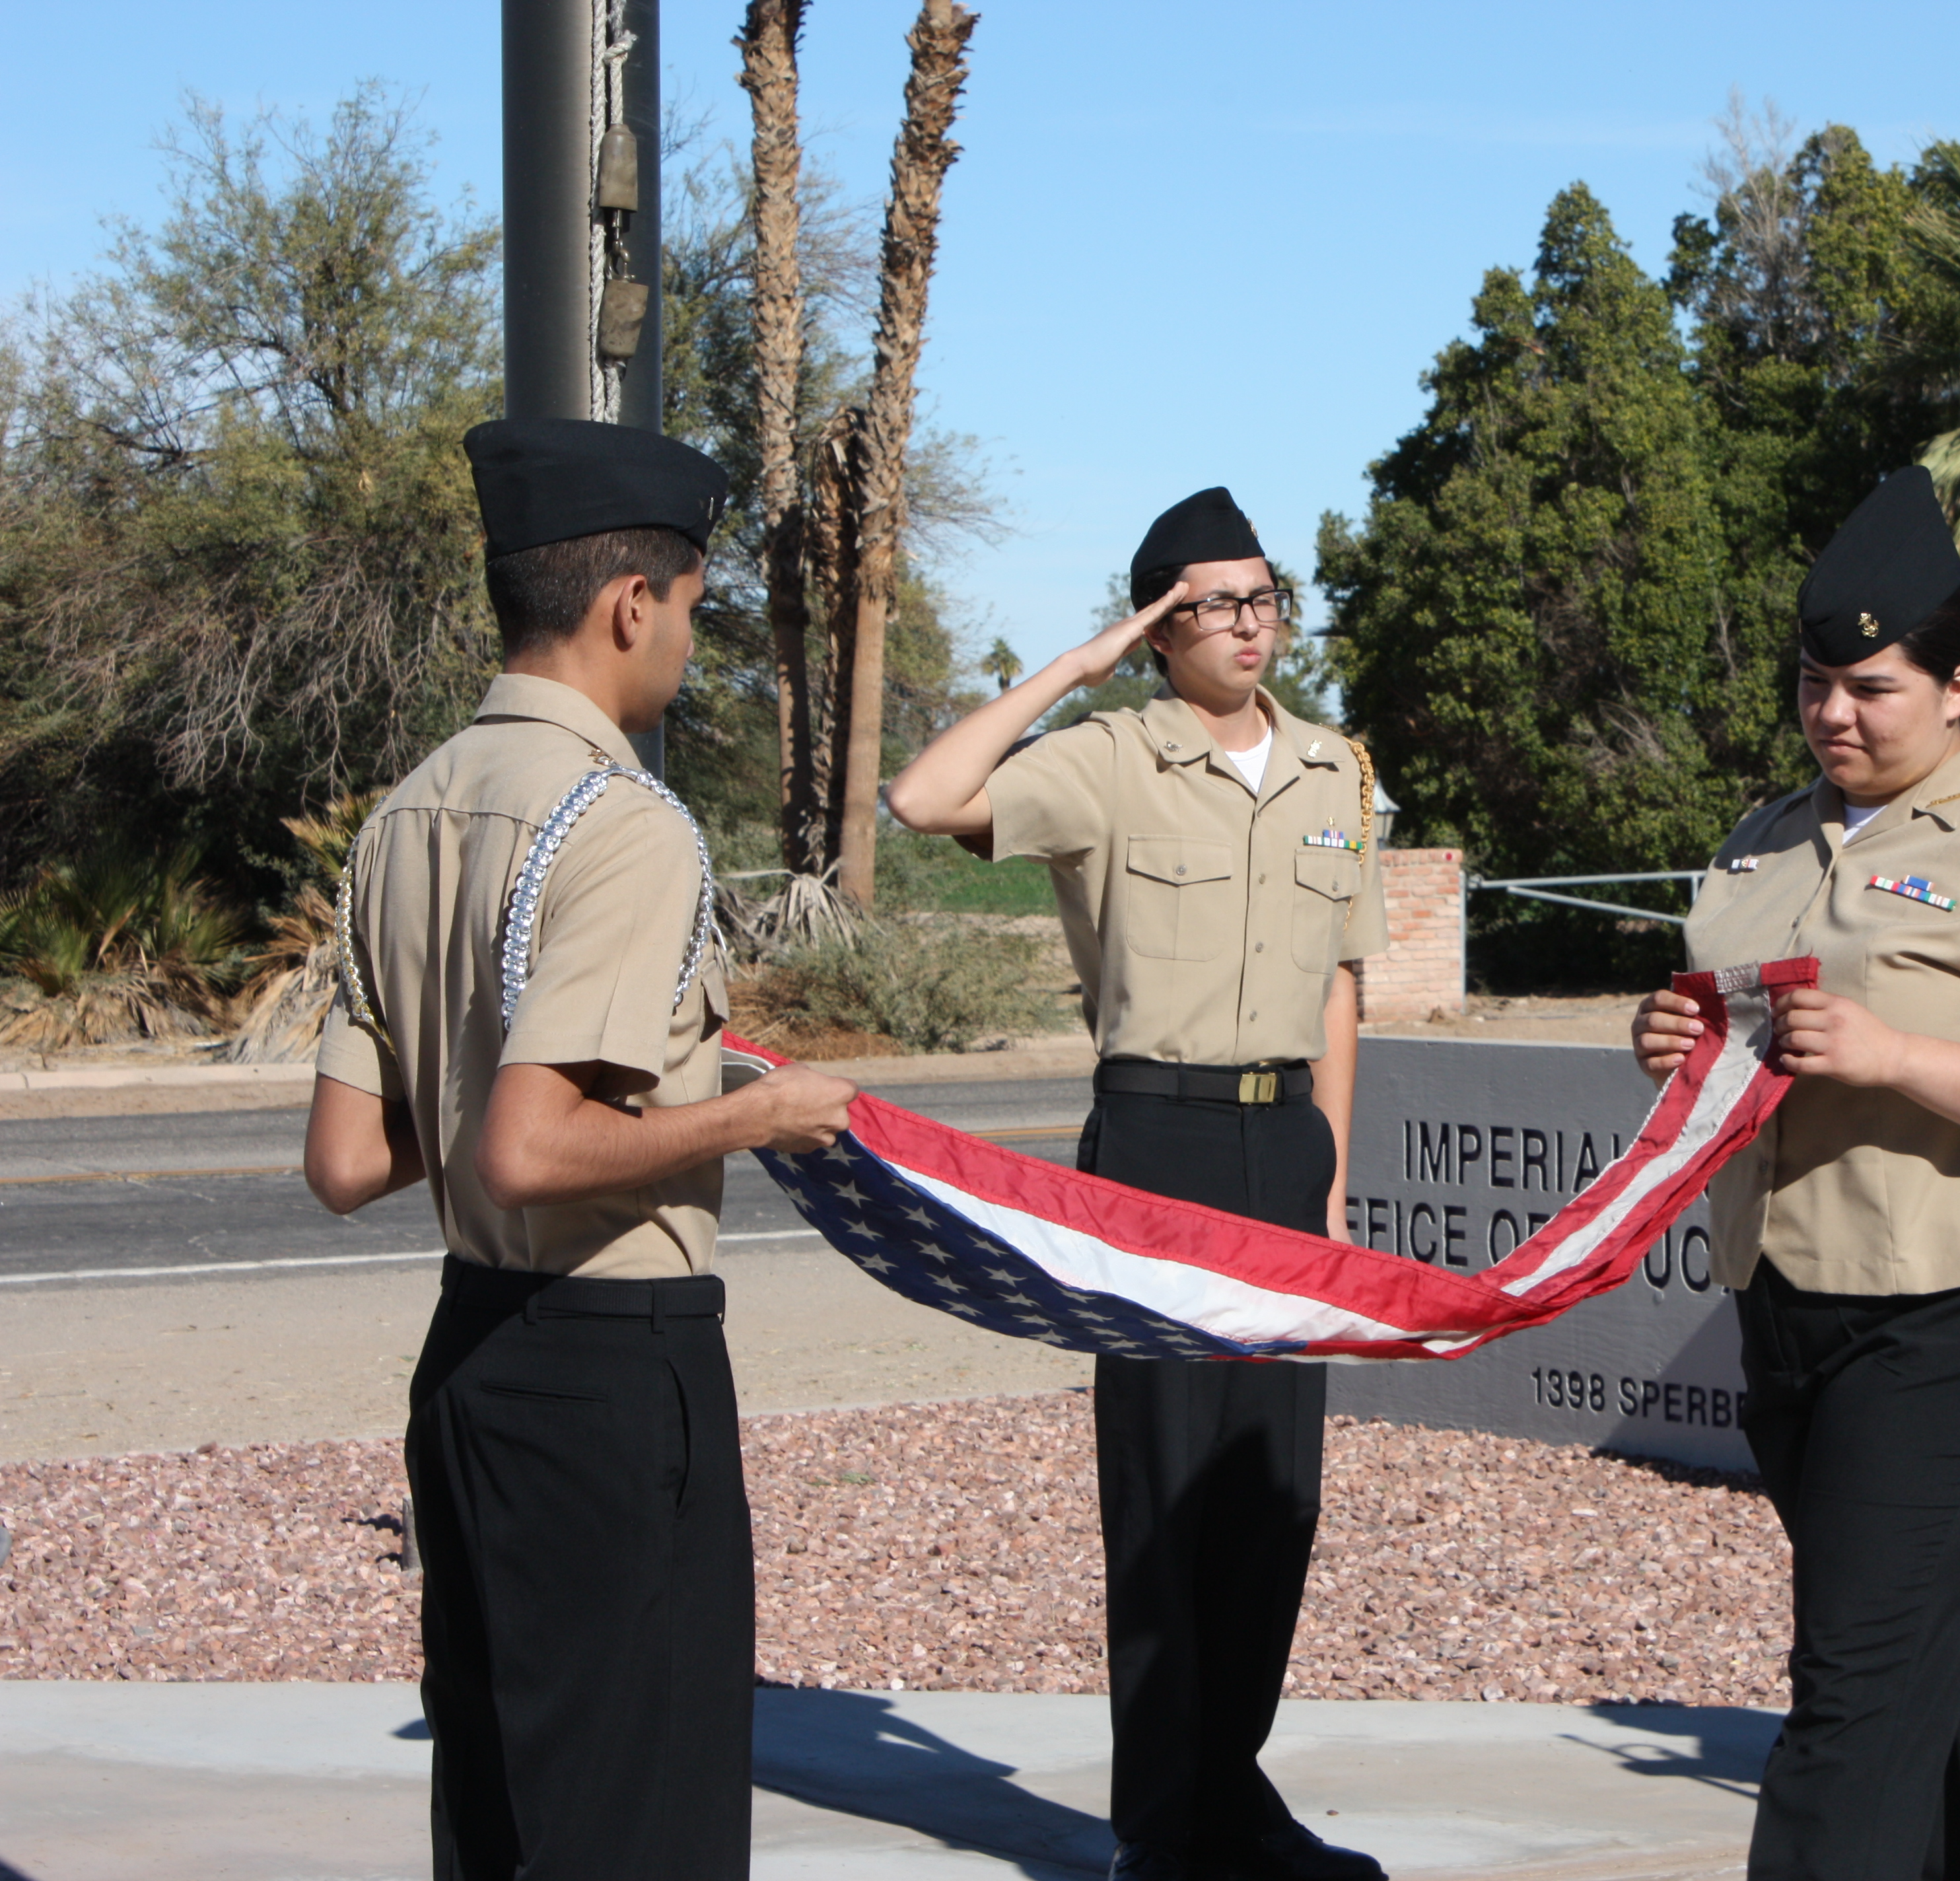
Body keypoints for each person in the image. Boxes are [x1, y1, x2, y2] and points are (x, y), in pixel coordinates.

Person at [302, 417, 856, 1881]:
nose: (688, 637)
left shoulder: (402, 815)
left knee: (503, 1813)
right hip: (614, 1368)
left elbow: (350, 1158)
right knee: (637, 1815)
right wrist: (761, 1112)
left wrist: (489, 1091)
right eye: (689, 604)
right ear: (630, 603)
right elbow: (534, 1149)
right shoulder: (625, 822)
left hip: (471, 1359)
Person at [1631, 468, 1960, 1881]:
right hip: (1793, 1298)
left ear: (1959, 685)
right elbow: (1733, 1025)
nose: (1834, 714)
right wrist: (1664, 1032)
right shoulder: (1762, 836)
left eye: (1871, 687)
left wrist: (1891, 1053)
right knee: (1933, 1650)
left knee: (1853, 1688)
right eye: (1814, 684)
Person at [882, 487, 1388, 1881]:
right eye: (1212, 603)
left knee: (1274, 1489)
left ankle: (1233, 1786)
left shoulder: (1336, 770)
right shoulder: (1107, 757)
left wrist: (1332, 1183)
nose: (1248, 622)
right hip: (1154, 1147)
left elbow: (1342, 988)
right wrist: (1077, 665)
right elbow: (923, 798)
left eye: (1263, 594)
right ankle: (1162, 1824)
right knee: (1166, 1491)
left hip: (1285, 1147)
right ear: (1161, 625)